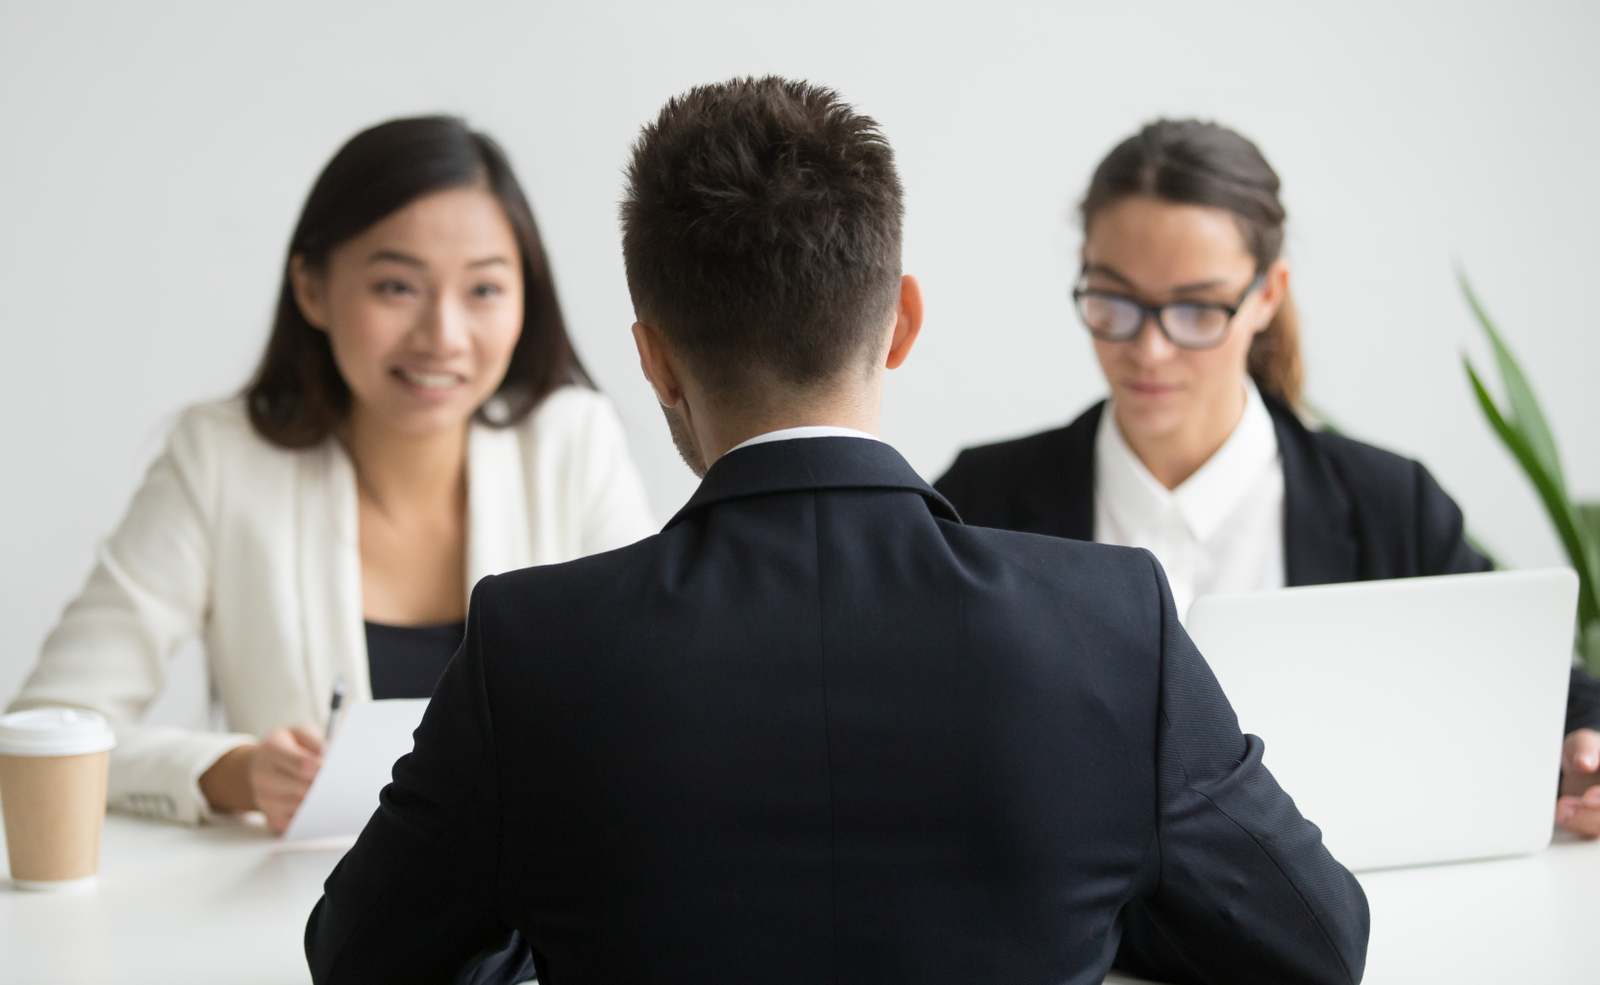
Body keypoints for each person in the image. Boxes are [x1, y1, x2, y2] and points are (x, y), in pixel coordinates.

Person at [305, 78, 1368, 985]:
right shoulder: (1110, 621)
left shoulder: (527, 645)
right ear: (902, 320)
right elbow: (1315, 942)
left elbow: (357, 956)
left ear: (654, 359)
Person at [933, 118, 1600, 838]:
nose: (1150, 349)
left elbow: (1536, 684)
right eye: (1114, 300)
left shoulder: (1387, 505)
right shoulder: (981, 499)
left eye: (1196, 308)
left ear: (1267, 294)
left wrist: (1585, 738)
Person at [7, 116, 655, 832]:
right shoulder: (219, 460)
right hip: (305, 921)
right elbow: (44, 729)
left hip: (540, 923)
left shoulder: (573, 442)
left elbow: (658, 707)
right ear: (312, 288)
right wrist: (236, 772)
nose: (442, 334)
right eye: (396, 286)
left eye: (484, 290)